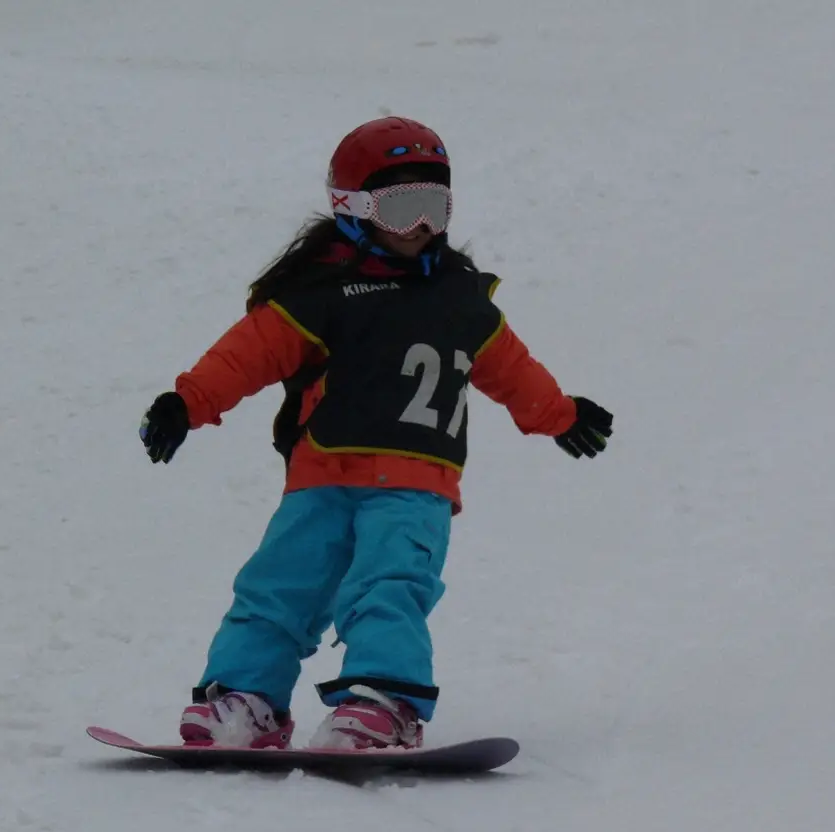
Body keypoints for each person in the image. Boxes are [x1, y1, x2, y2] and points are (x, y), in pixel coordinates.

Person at [138, 116, 613, 751]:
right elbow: (245, 354)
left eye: (434, 206)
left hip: (415, 482)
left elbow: (511, 369)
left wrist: (561, 414)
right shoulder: (322, 294)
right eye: (403, 206)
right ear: (353, 208)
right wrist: (186, 402)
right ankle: (247, 697)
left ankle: (387, 699)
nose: (422, 225)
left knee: (389, 585)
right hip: (321, 476)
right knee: (279, 584)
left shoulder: (460, 299)